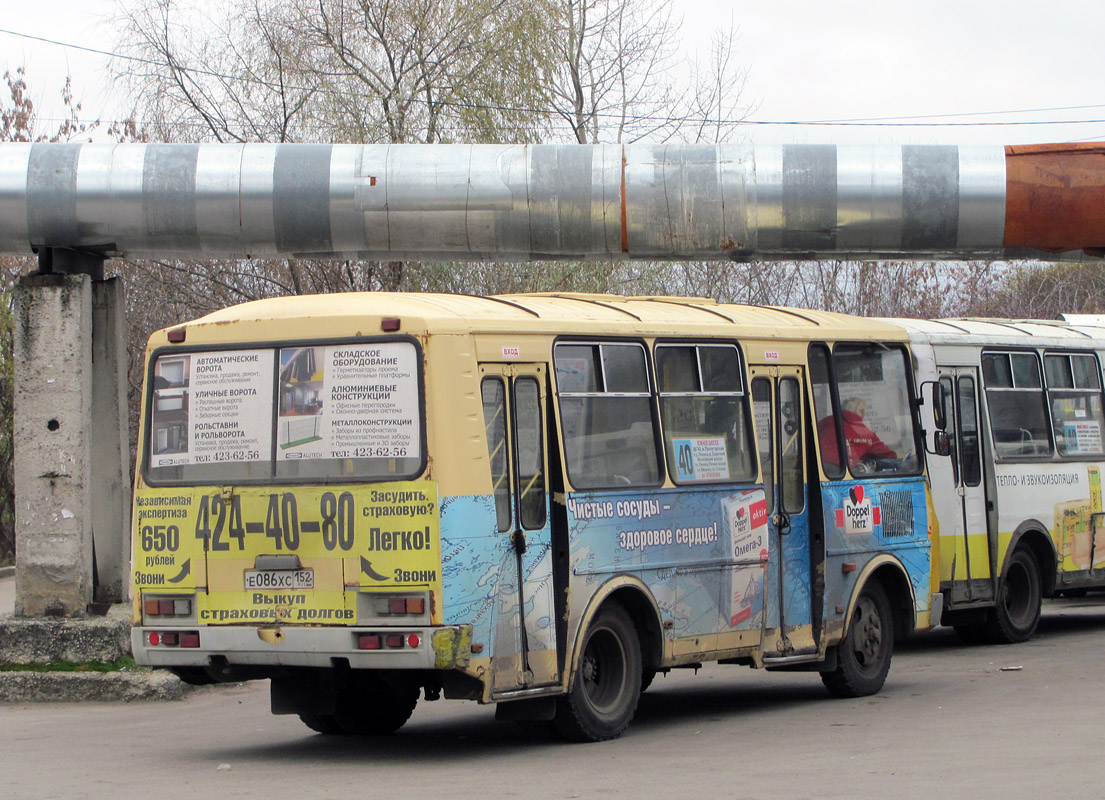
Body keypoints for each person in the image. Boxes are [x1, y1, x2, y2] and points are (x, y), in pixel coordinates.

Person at [819, 397, 897, 471]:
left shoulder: (827, 421)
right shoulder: (862, 431)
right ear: (862, 412)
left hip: (817, 465)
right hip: (838, 471)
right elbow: (887, 453)